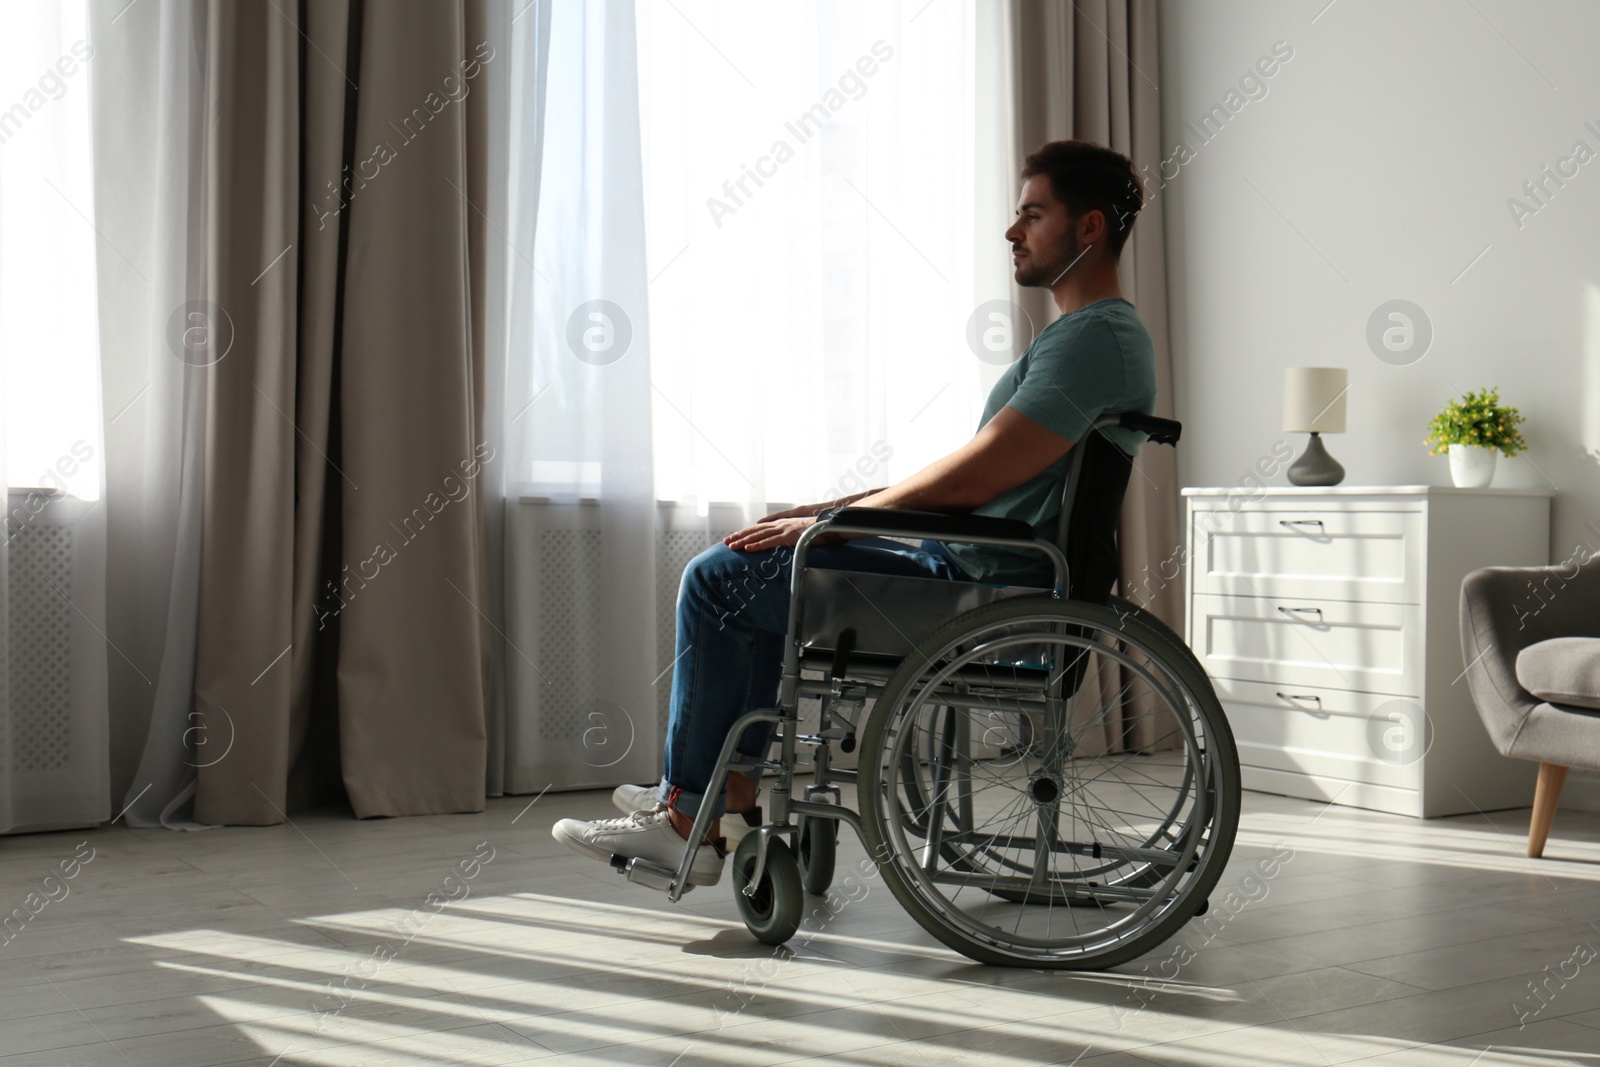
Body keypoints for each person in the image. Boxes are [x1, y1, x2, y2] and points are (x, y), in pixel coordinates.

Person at [552, 139, 1158, 886]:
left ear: (1089, 227)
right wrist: (827, 509)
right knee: (749, 566)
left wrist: (828, 522)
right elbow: (972, 476)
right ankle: (721, 792)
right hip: (977, 573)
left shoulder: (1096, 338)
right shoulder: (1083, 338)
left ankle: (688, 817)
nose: (1012, 232)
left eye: (1032, 214)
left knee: (720, 581)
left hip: (983, 590)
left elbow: (971, 482)